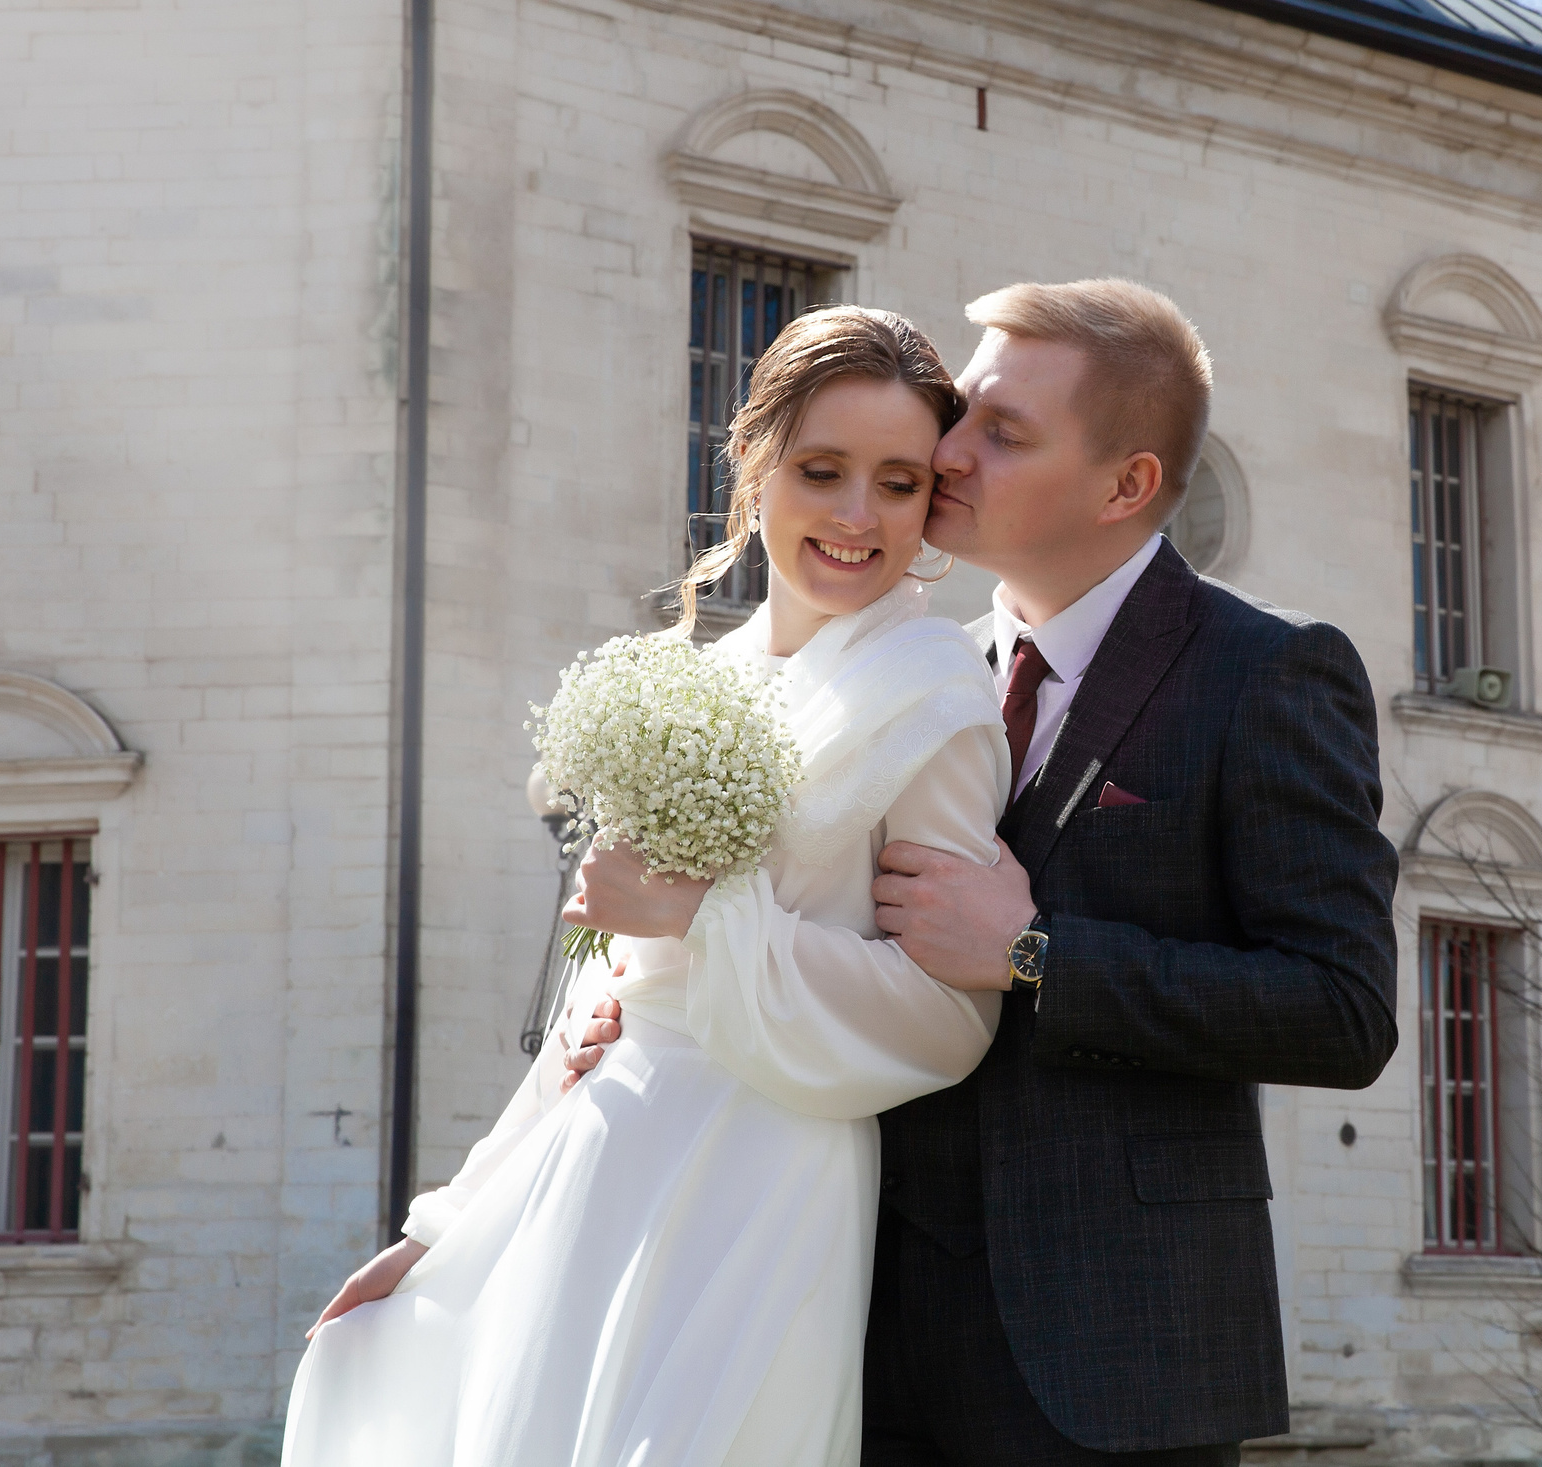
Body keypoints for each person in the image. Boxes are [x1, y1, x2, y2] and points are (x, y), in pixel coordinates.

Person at [570, 280, 1401, 1464]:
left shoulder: (1266, 673)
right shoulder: (912, 668)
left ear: (1127, 486)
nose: (948, 451)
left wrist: (1036, 958)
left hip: (1113, 1356)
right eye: (963, 413)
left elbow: (1343, 1008)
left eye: (1000, 433)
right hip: (848, 1312)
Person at [281, 307, 1014, 1466]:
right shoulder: (695, 680)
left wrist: (703, 917)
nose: (857, 516)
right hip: (601, 1156)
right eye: (822, 471)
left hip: (767, 1168)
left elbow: (945, 1017)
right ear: (754, 465)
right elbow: (593, 998)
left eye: (900, 482)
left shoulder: (936, 697)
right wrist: (447, 1224)